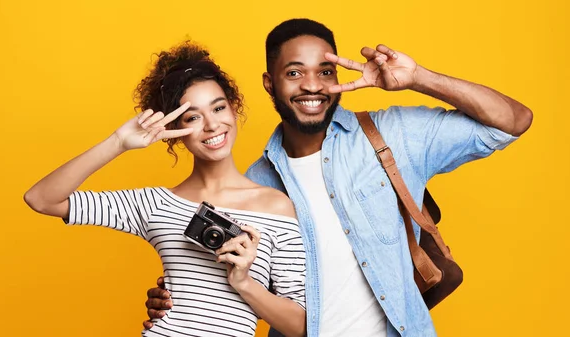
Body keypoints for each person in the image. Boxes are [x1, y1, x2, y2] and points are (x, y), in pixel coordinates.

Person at [144, 19, 533, 337]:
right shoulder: (252, 187)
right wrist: (177, 300)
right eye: (294, 72)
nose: (313, 85)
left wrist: (418, 78)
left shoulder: (392, 136)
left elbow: (513, 122)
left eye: (325, 71)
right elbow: (234, 290)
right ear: (270, 83)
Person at [24, 41, 307, 337]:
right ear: (173, 132)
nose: (212, 125)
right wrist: (118, 142)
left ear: (234, 109)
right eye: (193, 117)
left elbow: (300, 326)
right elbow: (41, 199)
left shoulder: (277, 206)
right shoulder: (156, 204)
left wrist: (243, 282)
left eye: (219, 107)